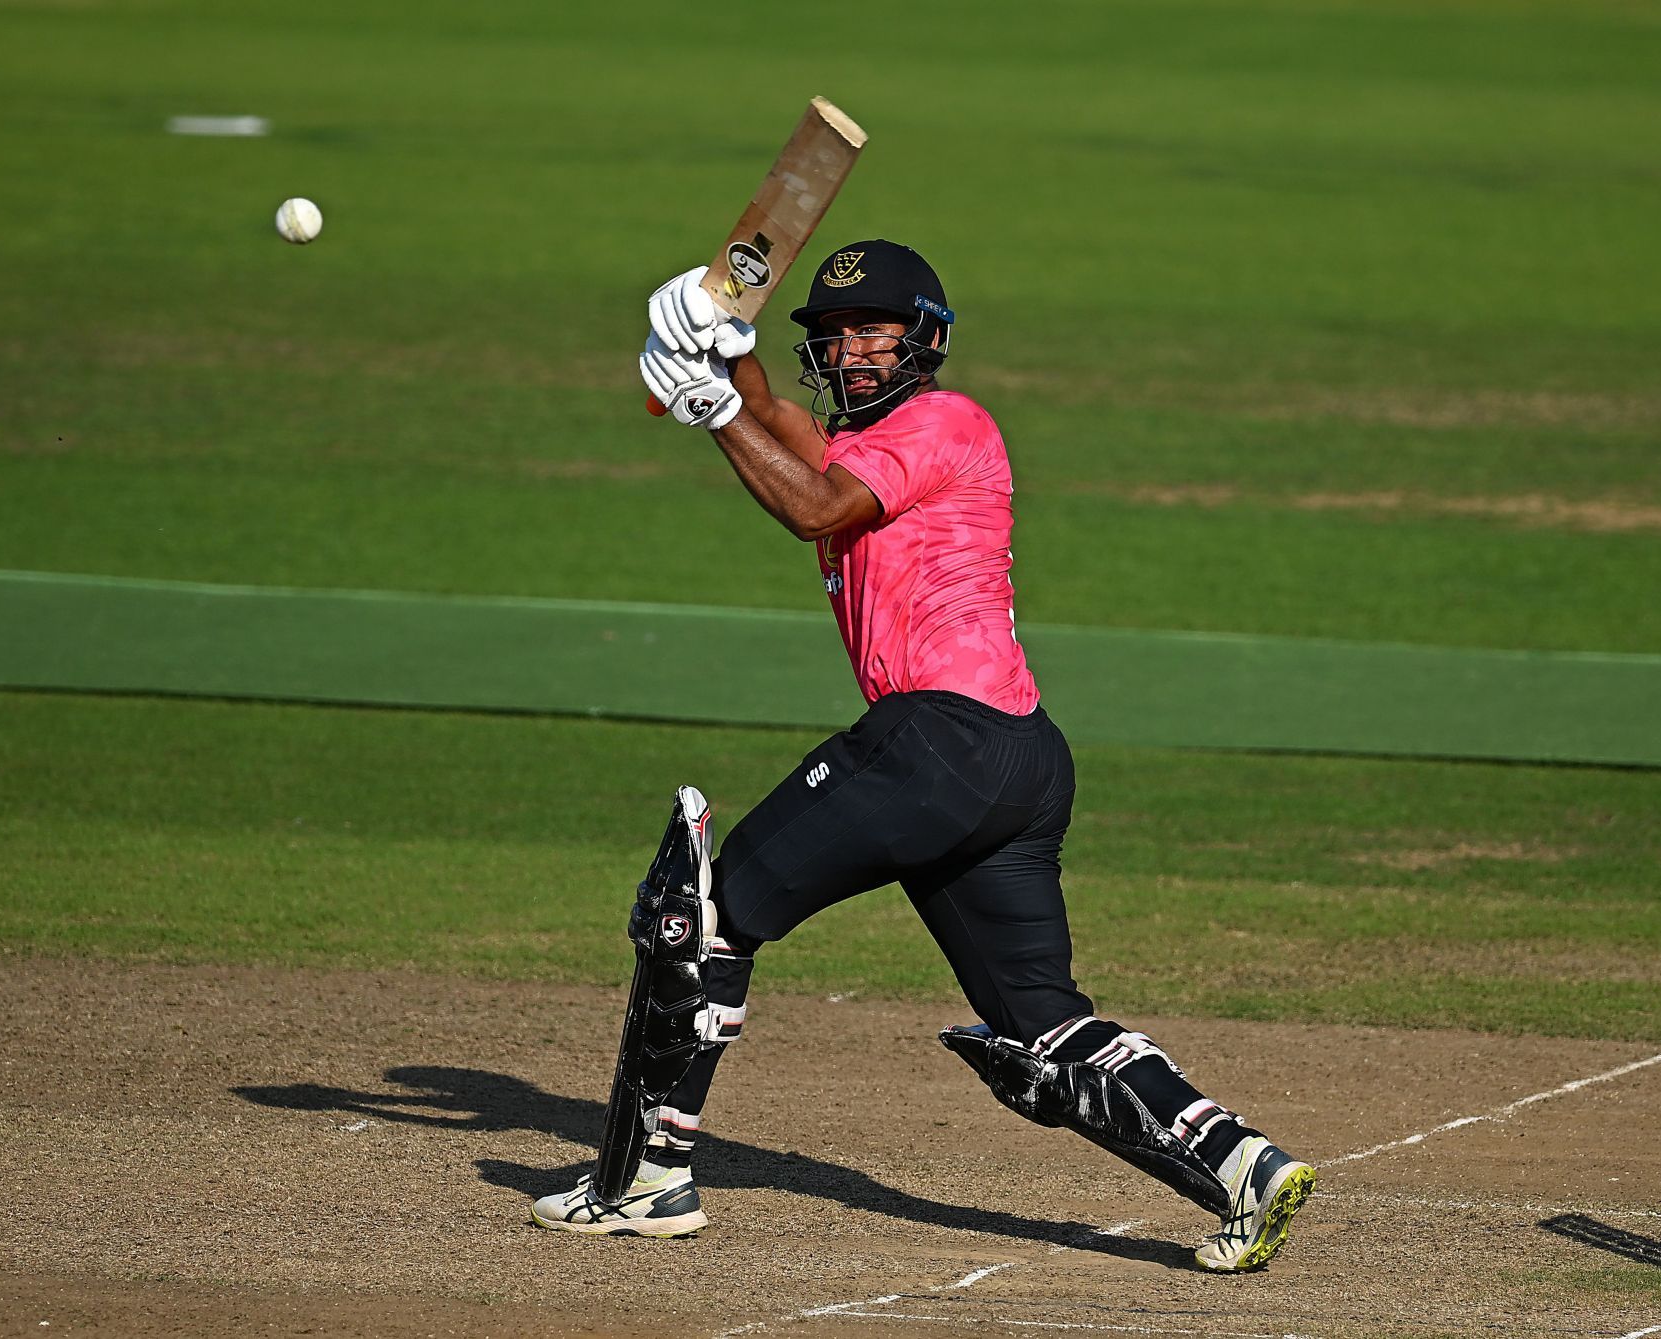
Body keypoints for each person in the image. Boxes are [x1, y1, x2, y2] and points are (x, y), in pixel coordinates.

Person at [530, 240, 1314, 1272]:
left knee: (699, 917)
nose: (851, 350)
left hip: (937, 741)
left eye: (873, 330)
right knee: (1038, 1020)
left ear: (926, 337)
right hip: (1015, 758)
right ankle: (1241, 1167)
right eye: (833, 335)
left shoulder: (944, 421)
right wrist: (723, 356)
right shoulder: (873, 439)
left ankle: (644, 1180)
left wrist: (706, 407)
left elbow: (813, 504)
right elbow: (798, 443)